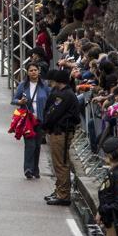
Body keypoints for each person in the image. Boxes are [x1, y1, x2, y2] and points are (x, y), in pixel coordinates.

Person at [41, 69, 80, 206]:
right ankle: (59, 190)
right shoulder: (65, 93)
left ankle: (63, 194)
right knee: (59, 163)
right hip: (60, 131)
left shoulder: (64, 95)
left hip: (60, 132)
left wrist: (44, 125)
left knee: (61, 164)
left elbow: (53, 113)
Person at [12, 62, 49, 179]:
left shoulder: (44, 85)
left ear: (39, 71)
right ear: (27, 73)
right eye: (31, 70)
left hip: (40, 119)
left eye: (35, 70)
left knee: (37, 145)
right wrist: (20, 102)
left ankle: (35, 169)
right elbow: (14, 99)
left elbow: (50, 100)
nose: (33, 72)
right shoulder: (23, 85)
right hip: (28, 119)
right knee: (30, 145)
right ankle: (28, 169)